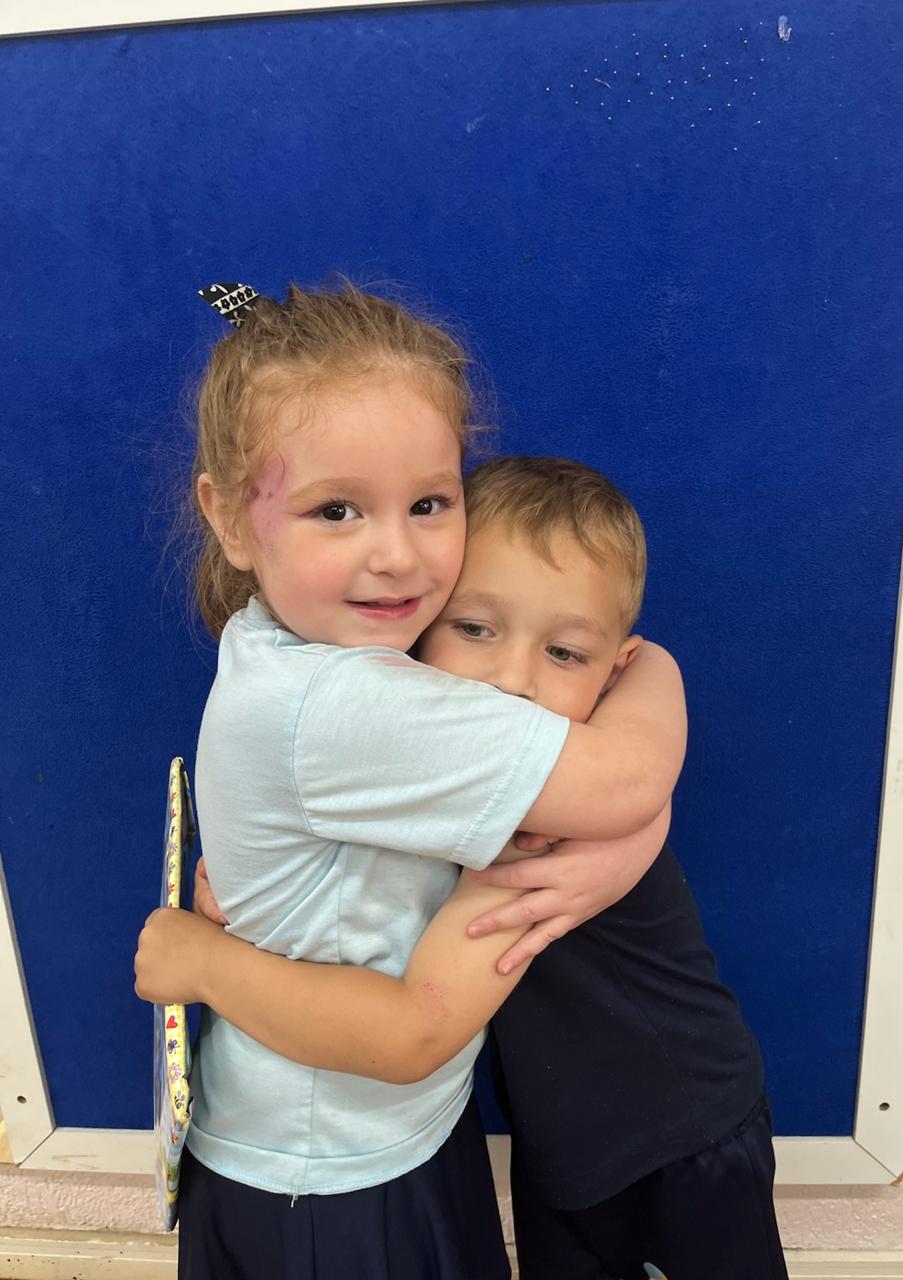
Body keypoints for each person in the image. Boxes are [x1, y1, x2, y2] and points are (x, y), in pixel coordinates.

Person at [142, 280, 686, 1280]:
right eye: (335, 509)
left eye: (429, 503)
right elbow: (623, 781)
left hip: (354, 1130)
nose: (396, 554)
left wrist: (610, 856)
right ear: (230, 520)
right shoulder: (350, 703)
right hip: (333, 1172)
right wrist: (654, 668)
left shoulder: (285, 646)